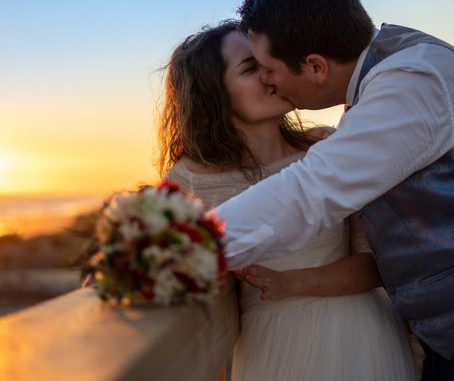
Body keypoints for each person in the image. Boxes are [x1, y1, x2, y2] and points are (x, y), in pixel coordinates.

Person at [213, 0, 454, 380]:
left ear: (315, 67)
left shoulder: (415, 75)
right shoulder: (379, 88)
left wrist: (187, 248)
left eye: (268, 68)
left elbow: (312, 190)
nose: (268, 81)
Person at [157, 20, 418, 380]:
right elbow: (161, 263)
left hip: (361, 337)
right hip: (273, 350)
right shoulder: (188, 182)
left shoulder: (328, 151)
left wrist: (293, 283)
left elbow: (377, 263)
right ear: (213, 92)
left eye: (268, 62)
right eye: (251, 68)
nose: (270, 75)